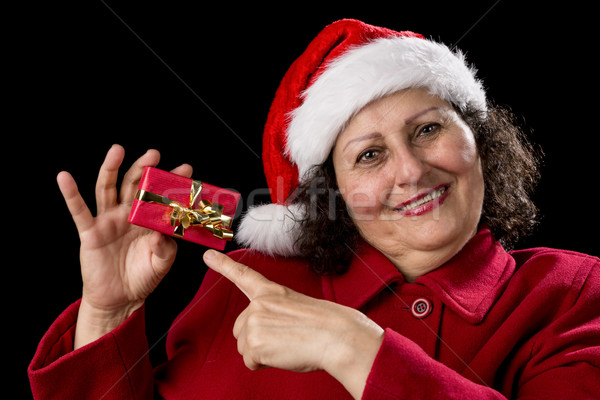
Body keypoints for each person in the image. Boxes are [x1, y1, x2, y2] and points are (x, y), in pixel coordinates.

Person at [28, 19, 599, 399]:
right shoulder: (247, 281)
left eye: (428, 129)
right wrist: (109, 313)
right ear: (336, 192)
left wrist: (350, 346)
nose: (411, 170)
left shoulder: (571, 292)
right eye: (370, 154)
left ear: (481, 140)